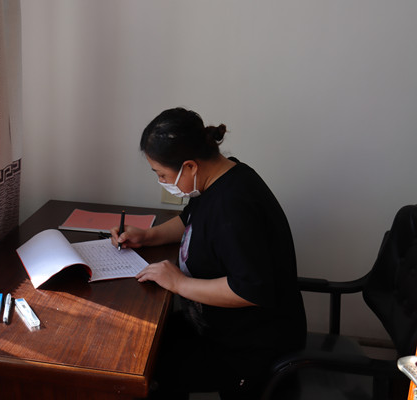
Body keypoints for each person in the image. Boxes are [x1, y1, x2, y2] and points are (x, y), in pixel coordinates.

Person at [110, 107, 306, 399]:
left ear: (190, 167)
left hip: (251, 347)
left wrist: (179, 283)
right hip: (218, 327)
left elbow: (249, 290)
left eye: (162, 174)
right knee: (142, 342)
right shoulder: (221, 177)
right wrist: (148, 236)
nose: (162, 181)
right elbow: (190, 219)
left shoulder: (233, 207)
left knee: (145, 366)